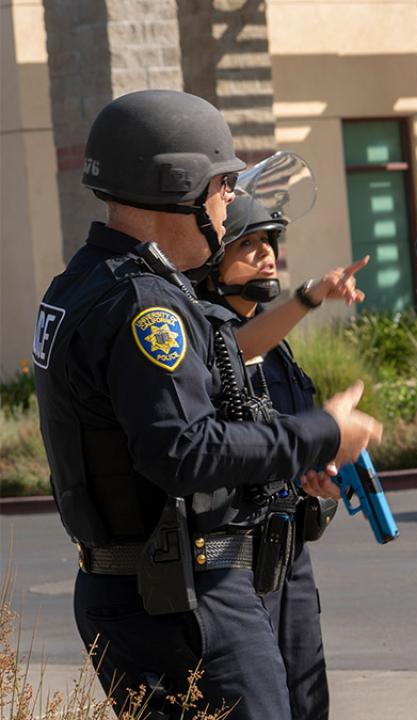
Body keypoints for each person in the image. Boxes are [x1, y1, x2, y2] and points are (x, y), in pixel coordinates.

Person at [31, 89, 382, 718]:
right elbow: (184, 450)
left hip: (145, 592)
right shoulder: (145, 304)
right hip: (183, 600)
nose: (229, 202)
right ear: (179, 189)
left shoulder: (80, 283)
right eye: (222, 185)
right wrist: (322, 432)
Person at [195, 192, 369, 720]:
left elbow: (289, 441)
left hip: (288, 554)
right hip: (234, 566)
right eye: (246, 243)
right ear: (212, 260)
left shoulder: (278, 344)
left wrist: (319, 479)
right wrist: (311, 296)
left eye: (269, 241)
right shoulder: (203, 333)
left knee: (308, 704)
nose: (266, 253)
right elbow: (236, 351)